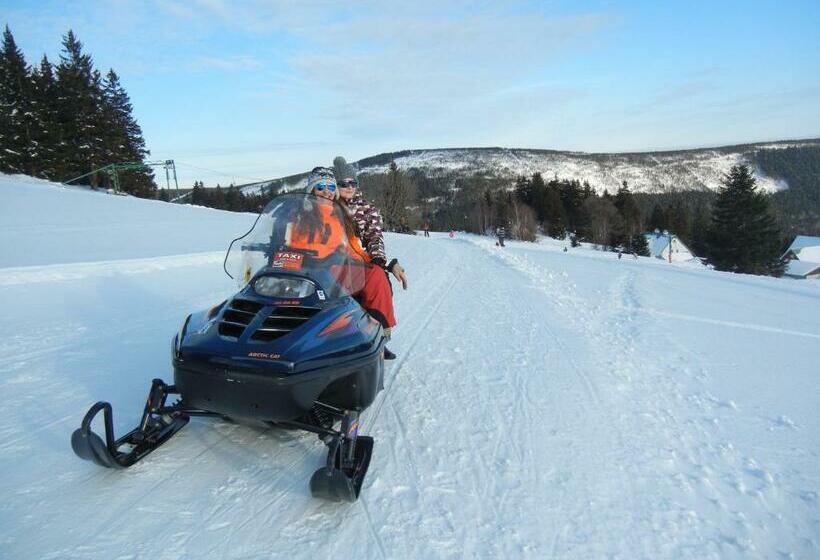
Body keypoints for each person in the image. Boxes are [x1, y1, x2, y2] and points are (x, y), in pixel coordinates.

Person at [301, 168, 398, 349]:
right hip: (310, 267)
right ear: (311, 189)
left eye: (352, 183)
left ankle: (377, 335)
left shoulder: (344, 213)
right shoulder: (303, 212)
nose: (327, 191)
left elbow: (368, 240)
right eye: (321, 186)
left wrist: (378, 262)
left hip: (339, 264)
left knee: (377, 278)